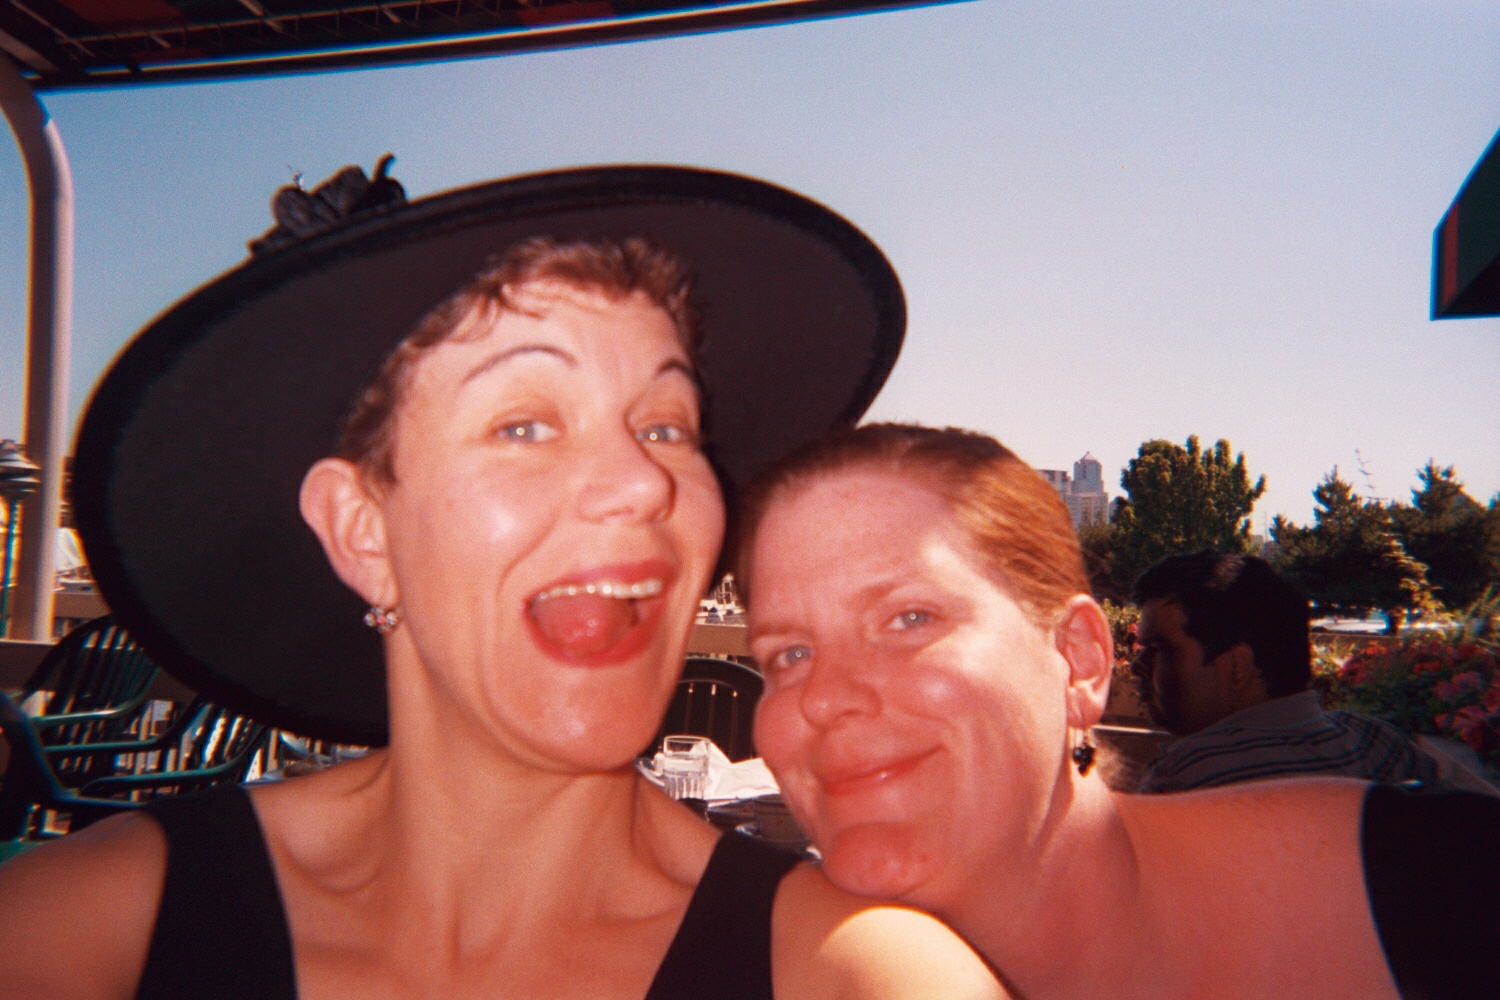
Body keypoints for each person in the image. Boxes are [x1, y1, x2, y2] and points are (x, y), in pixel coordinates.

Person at [0, 167, 1003, 1000]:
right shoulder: (84, 928)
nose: (644, 482)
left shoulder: (856, 974)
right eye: (524, 424)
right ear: (363, 531)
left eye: (667, 426)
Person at [736, 422, 1500, 1000]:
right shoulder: (754, 966)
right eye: (787, 654)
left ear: (1079, 660)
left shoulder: (1442, 894)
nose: (823, 698)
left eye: (909, 618)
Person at [1127, 550, 1441, 792]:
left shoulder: (1188, 778)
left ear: (1237, 667)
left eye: (1160, 649)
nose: (1137, 666)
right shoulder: (1382, 745)